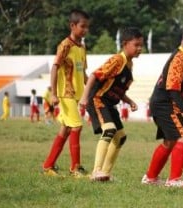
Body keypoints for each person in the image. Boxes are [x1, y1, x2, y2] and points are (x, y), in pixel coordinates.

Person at [141, 21, 183, 189]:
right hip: (165, 103)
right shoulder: (180, 58)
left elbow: (179, 82)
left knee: (170, 141)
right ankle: (174, 180)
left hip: (161, 102)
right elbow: (172, 87)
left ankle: (150, 178)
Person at [79, 27, 143, 181]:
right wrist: (84, 97)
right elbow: (94, 75)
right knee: (109, 130)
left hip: (109, 103)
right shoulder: (117, 60)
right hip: (98, 99)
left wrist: (129, 101)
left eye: (141, 45)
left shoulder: (129, 65)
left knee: (120, 137)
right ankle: (96, 171)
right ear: (125, 44)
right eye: (136, 45)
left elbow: (116, 89)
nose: (140, 49)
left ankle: (105, 174)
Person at [42, 9, 89, 178]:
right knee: (77, 126)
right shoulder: (65, 45)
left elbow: (83, 72)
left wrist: (92, 89)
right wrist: (54, 93)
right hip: (65, 94)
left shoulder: (82, 48)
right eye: (82, 27)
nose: (85, 30)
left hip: (77, 95)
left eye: (87, 27)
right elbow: (55, 68)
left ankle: (48, 166)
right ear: (72, 26)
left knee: (65, 130)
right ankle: (75, 168)